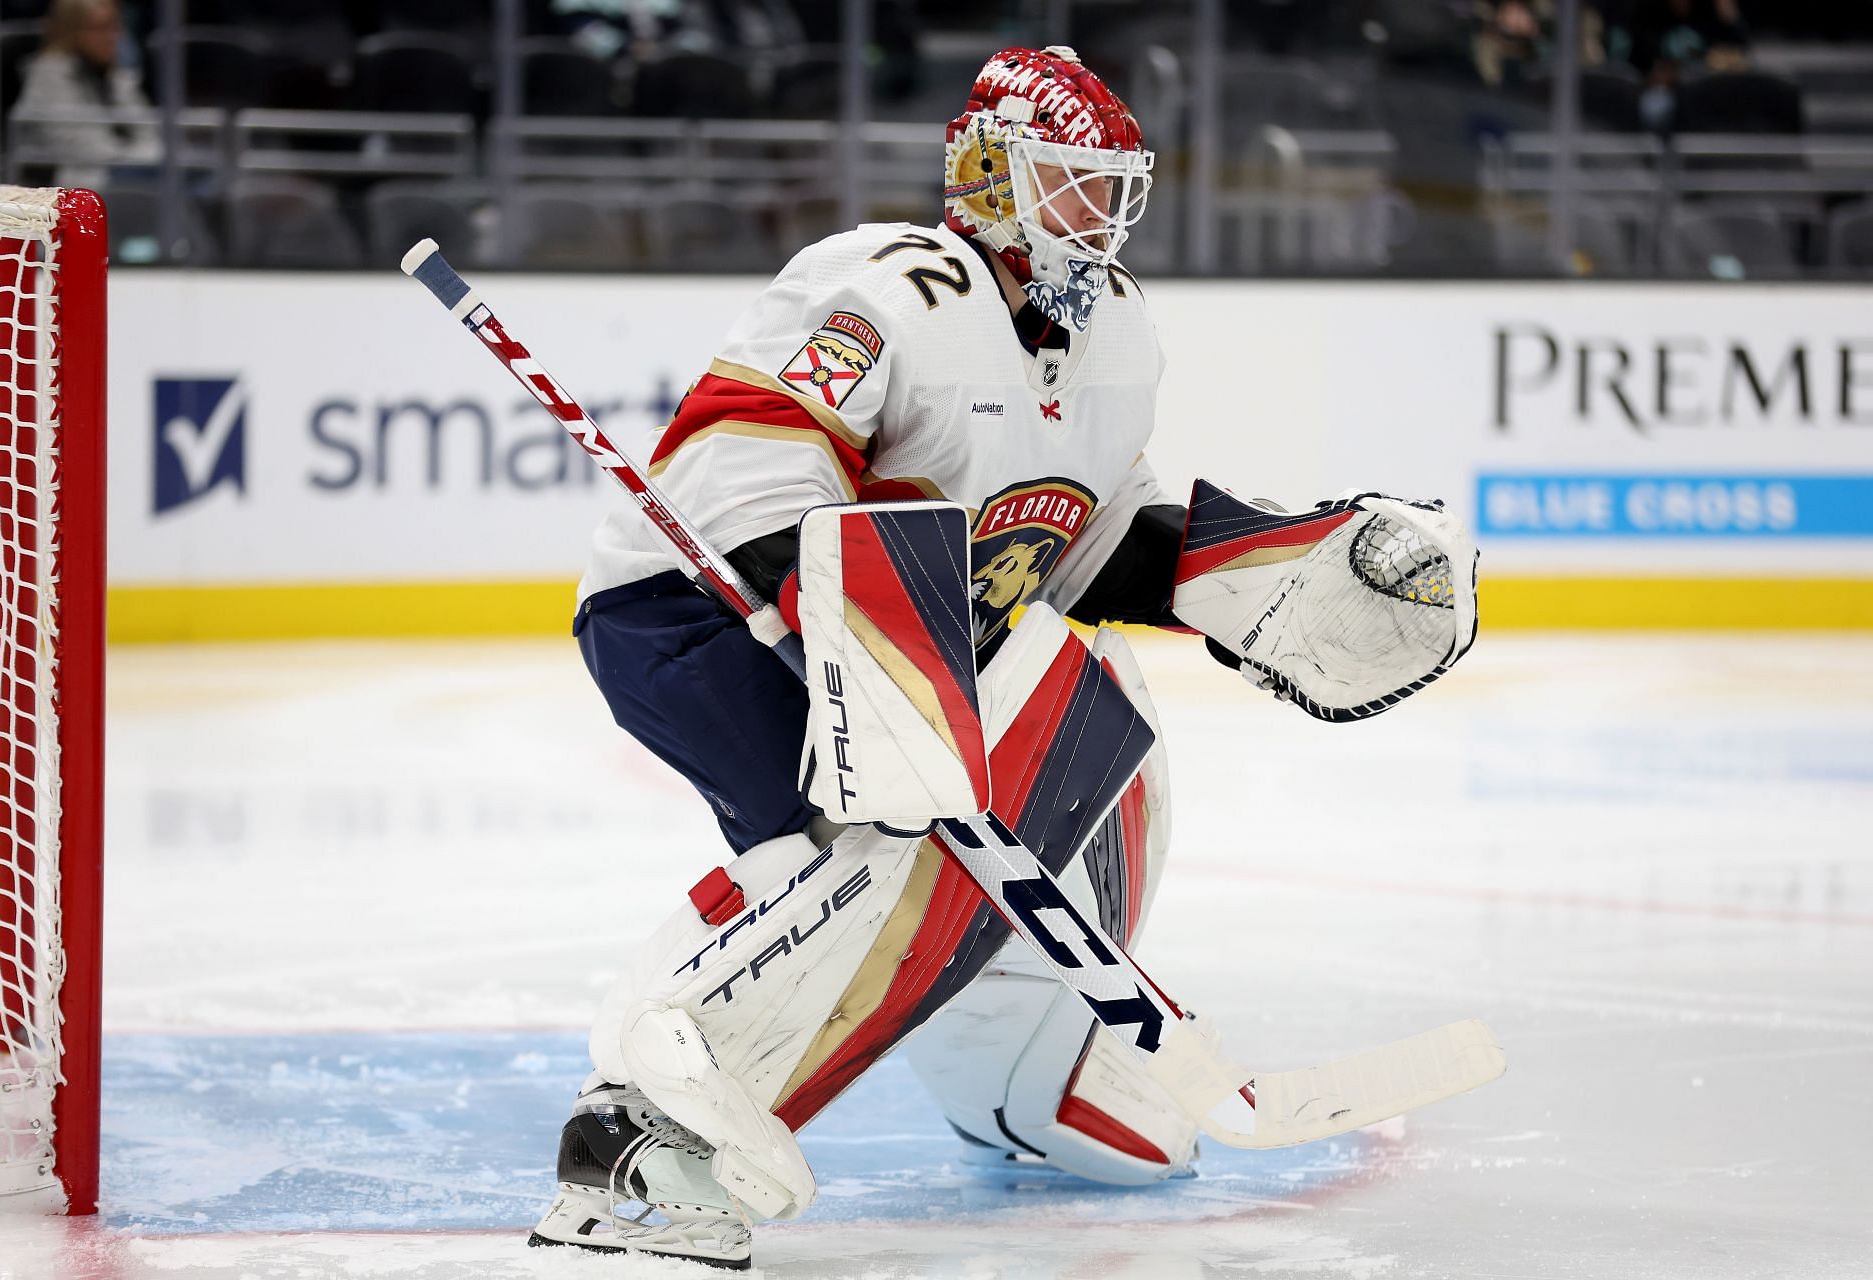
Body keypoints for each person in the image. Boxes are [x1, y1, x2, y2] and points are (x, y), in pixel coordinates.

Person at [529, 45, 1476, 1269]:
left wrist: (1258, 581)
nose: (1104, 212)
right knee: (866, 835)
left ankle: (1020, 1059)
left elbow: (1091, 544)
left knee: (1097, 729)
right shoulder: (887, 280)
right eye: (1073, 182)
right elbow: (749, 468)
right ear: (988, 175)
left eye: (1115, 184)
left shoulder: (1114, 334)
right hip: (700, 612)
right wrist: (867, 650)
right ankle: (630, 1124)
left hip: (891, 636)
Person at [11, 0, 159, 189]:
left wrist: (148, 159)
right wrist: (143, 159)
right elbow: (86, 149)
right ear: (72, 31)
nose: (112, 36)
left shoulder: (114, 75)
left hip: (125, 173)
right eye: (101, 28)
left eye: (115, 26)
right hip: (73, 186)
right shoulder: (48, 77)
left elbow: (147, 130)